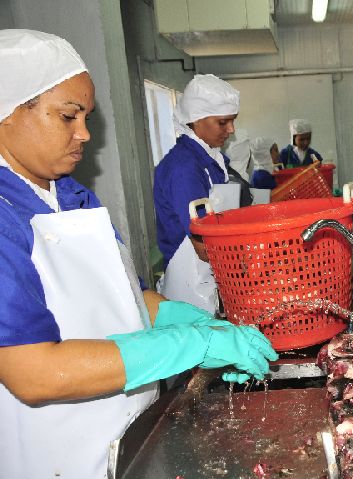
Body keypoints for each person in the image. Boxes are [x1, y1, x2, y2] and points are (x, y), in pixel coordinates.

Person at [0, 29, 278, 478]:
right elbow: (32, 372)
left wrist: (191, 320)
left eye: (86, 116)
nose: (84, 134)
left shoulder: (74, 198)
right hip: (57, 456)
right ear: (8, 111)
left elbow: (128, 296)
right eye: (68, 116)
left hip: (128, 438)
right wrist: (192, 344)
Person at [154, 74, 252, 313]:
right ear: (196, 120)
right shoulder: (184, 168)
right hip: (192, 283)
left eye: (232, 121)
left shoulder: (211, 159)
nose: (231, 129)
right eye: (223, 122)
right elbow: (202, 245)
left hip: (212, 275)